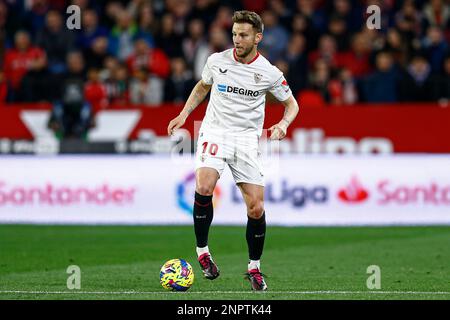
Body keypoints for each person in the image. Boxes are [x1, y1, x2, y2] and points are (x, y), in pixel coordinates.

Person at [167, 10, 299, 291]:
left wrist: (284, 124)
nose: (237, 40)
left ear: (257, 38)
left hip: (246, 141)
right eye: (234, 34)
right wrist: (184, 114)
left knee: (256, 207)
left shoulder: (269, 73)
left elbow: (292, 105)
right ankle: (203, 252)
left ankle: (254, 268)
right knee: (204, 186)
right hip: (214, 131)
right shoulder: (217, 61)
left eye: (243, 35)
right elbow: (203, 86)